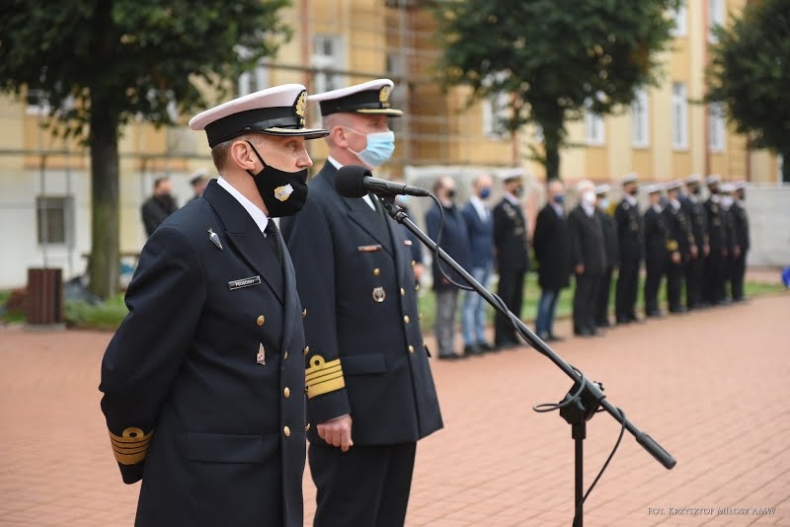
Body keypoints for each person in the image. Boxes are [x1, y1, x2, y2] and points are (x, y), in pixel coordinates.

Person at [99, 84, 329, 527]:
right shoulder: (185, 240)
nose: (304, 161)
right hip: (207, 490)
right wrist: (159, 453)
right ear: (244, 154)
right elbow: (130, 373)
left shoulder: (268, 230)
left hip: (271, 481)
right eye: (291, 145)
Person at [280, 79, 443, 527]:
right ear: (340, 136)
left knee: (388, 517)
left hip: (394, 397)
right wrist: (329, 404)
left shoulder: (375, 195)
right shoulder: (316, 203)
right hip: (353, 408)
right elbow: (310, 312)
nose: (384, 134)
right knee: (349, 517)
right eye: (373, 124)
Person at [426, 175, 472, 359]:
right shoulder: (434, 213)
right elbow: (435, 244)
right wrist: (443, 270)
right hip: (445, 270)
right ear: (439, 189)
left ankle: (451, 346)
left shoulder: (456, 210)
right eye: (448, 187)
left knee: (453, 310)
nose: (452, 190)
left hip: (459, 269)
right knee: (444, 311)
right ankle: (444, 348)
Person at [492, 169, 530, 348]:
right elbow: (498, 237)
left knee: (517, 299)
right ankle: (502, 337)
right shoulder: (501, 208)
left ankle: (513, 334)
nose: (519, 186)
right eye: (515, 183)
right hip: (508, 261)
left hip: (520, 260)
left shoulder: (516, 205)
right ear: (507, 185)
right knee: (506, 299)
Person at [532, 179, 571, 342]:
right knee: (546, 298)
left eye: (561, 191)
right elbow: (538, 241)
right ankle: (540, 331)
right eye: (556, 192)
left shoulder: (561, 212)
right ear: (549, 194)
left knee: (555, 298)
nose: (559, 195)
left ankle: (549, 328)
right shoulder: (545, 213)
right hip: (549, 265)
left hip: (560, 265)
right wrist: (544, 259)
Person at [460, 174, 495, 354]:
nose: (486, 189)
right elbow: (464, 239)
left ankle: (481, 338)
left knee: (483, 303)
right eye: (483, 186)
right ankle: (468, 340)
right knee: (470, 303)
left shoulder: (487, 210)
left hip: (487, 261)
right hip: (473, 263)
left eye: (489, 186)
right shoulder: (467, 211)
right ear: (475, 187)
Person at [568, 180, 606, 337]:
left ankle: (590, 322)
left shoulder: (594, 213)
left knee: (594, 294)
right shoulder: (575, 214)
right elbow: (574, 241)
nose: (592, 194)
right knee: (582, 295)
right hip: (584, 263)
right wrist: (578, 261)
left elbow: (599, 239)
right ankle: (580, 324)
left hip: (596, 261)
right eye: (588, 191)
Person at [614, 173, 644, 324]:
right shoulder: (621, 207)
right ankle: (621, 313)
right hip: (625, 252)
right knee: (624, 283)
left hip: (636, 252)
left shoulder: (635, 205)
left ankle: (631, 310)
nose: (635, 187)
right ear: (625, 188)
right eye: (632, 185)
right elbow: (618, 232)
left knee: (633, 283)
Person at [663, 181, 696, 314]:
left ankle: (678, 302)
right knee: (674, 278)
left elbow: (687, 229)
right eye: (674, 191)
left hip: (683, 248)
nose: (676, 193)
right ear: (670, 193)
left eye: (677, 191)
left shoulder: (680, 208)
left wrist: (691, 244)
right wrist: (674, 250)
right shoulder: (667, 210)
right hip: (675, 250)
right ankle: (673, 304)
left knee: (680, 277)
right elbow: (669, 233)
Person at [680, 174, 708, 310]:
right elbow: (687, 226)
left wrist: (705, 243)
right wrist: (692, 244)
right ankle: (692, 301)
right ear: (689, 187)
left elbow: (703, 226)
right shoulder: (685, 203)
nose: (697, 188)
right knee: (691, 274)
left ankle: (699, 299)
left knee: (700, 273)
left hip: (701, 243)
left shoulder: (697, 202)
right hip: (693, 245)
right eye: (694, 185)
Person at [643, 184, 671, 317]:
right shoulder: (649, 214)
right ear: (651, 197)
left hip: (661, 252)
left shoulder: (660, 212)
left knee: (658, 280)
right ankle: (650, 307)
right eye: (655, 195)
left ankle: (655, 305)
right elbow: (646, 236)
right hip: (652, 253)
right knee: (652, 281)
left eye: (659, 195)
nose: (658, 197)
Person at [594, 184, 619, 328]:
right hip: (601, 260)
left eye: (605, 198)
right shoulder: (596, 216)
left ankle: (603, 317)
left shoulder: (607, 215)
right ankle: (597, 317)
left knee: (606, 291)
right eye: (601, 198)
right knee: (599, 291)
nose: (604, 201)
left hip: (609, 259)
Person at [703, 175, 728, 306]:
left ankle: (718, 296)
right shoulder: (707, 204)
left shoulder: (719, 203)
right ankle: (709, 297)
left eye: (717, 185)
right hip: (712, 243)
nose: (716, 188)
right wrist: (706, 242)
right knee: (710, 271)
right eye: (713, 185)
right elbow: (706, 226)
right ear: (709, 188)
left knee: (720, 271)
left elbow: (722, 225)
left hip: (720, 242)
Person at [720, 183, 740, 304]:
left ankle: (726, 294)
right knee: (721, 274)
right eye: (725, 195)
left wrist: (733, 246)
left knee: (728, 273)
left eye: (729, 194)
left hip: (729, 247)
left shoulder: (728, 211)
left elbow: (732, 231)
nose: (728, 197)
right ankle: (722, 295)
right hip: (722, 247)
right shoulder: (721, 211)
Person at [730, 181, 750, 302]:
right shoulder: (733, 208)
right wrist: (735, 244)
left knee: (741, 270)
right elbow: (734, 230)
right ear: (736, 193)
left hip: (743, 244)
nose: (743, 194)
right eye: (741, 192)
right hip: (737, 245)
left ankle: (740, 293)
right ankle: (736, 294)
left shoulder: (741, 207)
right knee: (736, 270)